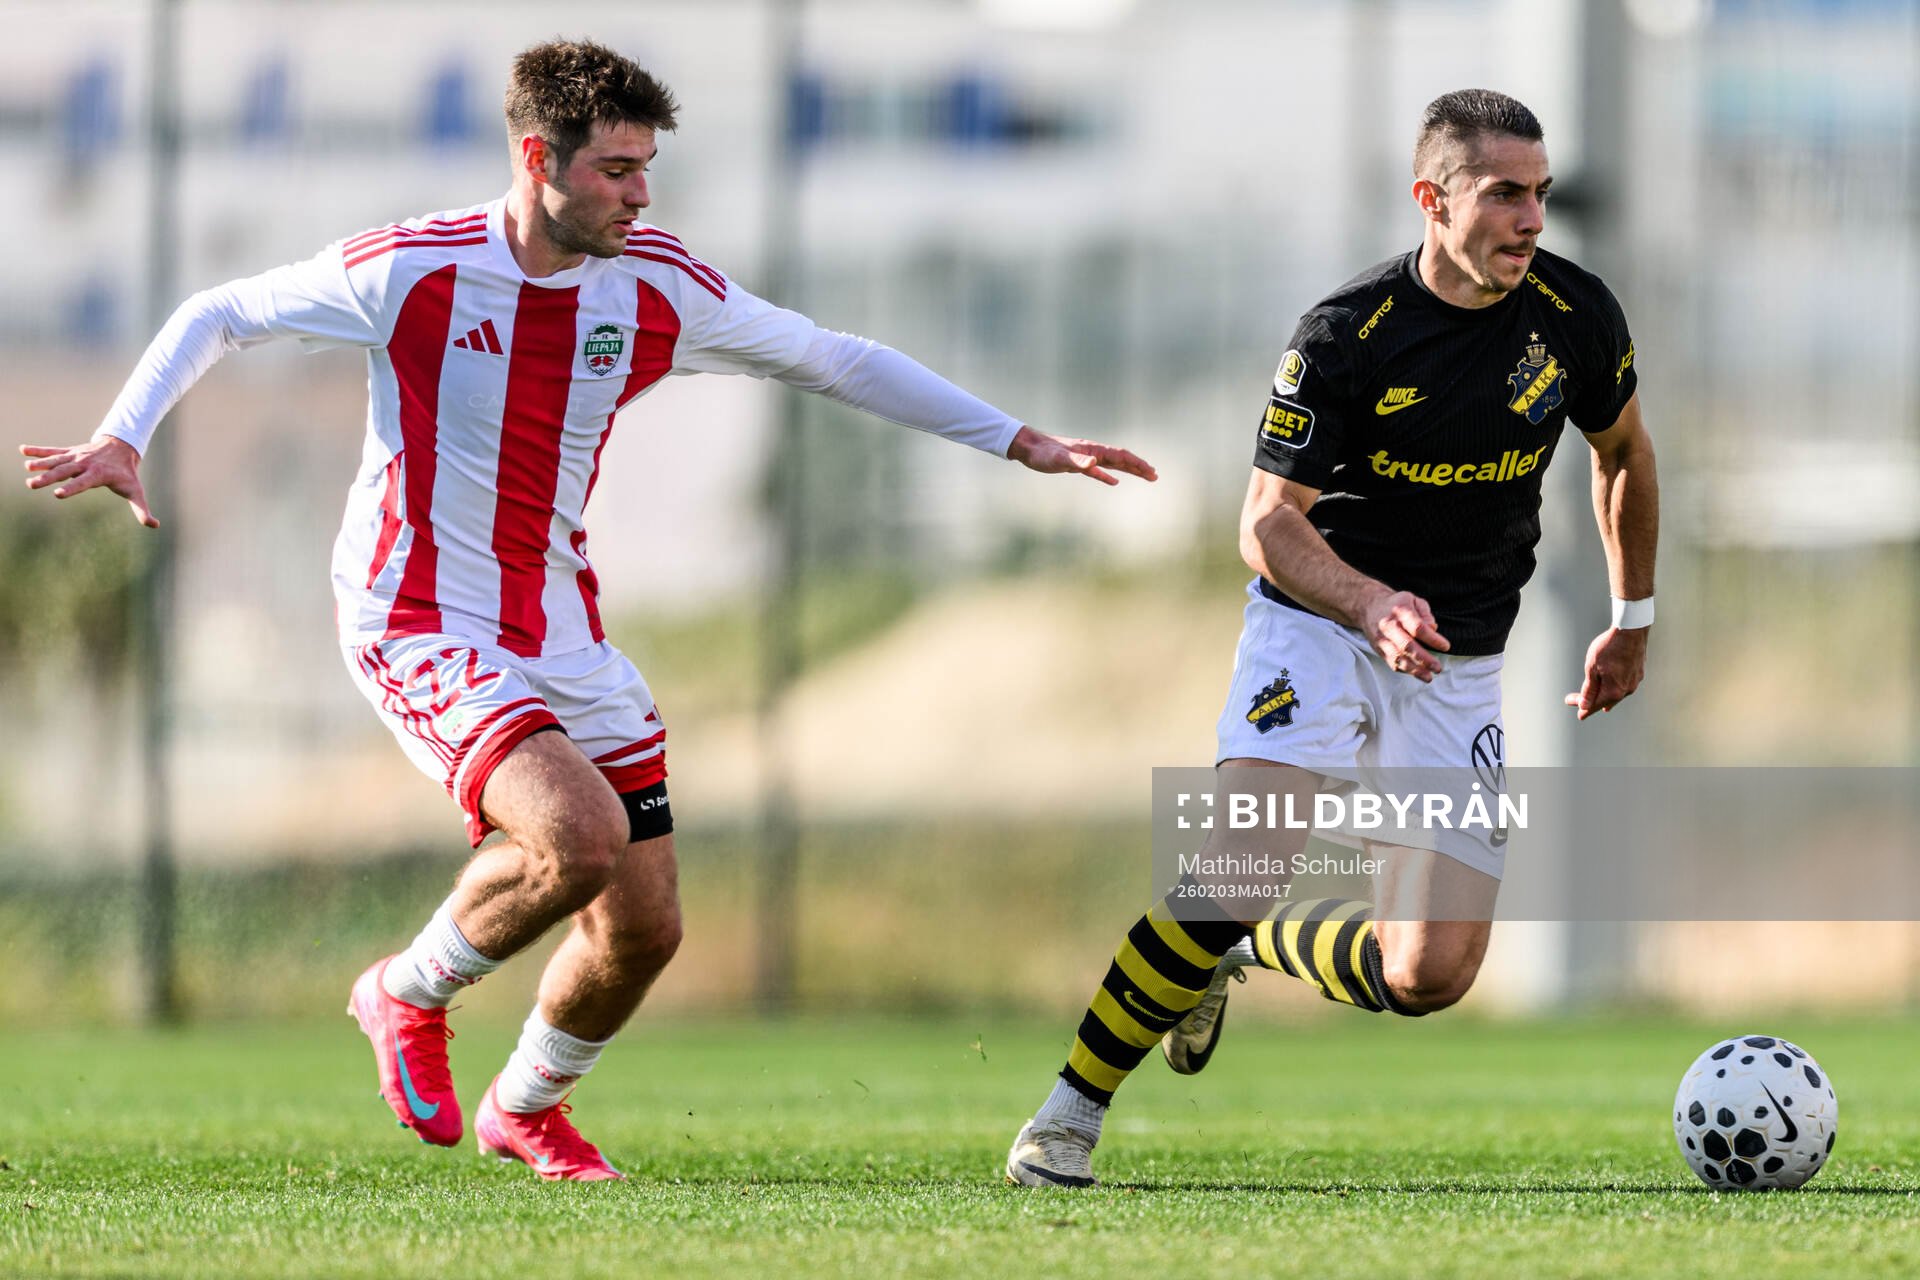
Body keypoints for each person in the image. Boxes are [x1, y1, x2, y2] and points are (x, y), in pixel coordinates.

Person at [20, 38, 1154, 1183]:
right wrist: (123, 433)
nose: (640, 193)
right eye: (616, 168)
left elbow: (833, 358)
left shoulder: (655, 285)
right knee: (579, 837)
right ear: (537, 159)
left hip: (560, 625)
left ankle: (525, 1105)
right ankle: (405, 989)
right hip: (416, 613)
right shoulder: (412, 269)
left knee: (645, 924)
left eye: (646, 167)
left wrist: (1017, 439)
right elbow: (219, 309)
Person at [1005, 88, 1658, 1188]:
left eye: (1541, 194)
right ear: (1432, 200)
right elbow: (1268, 524)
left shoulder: (1574, 313)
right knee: (1243, 862)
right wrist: (1369, 604)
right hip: (1320, 625)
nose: (1532, 219)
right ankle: (1067, 1114)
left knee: (1428, 975)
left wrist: (1632, 617)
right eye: (1505, 194)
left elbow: (1625, 452)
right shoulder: (1347, 335)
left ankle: (1239, 943)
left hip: (1460, 659)